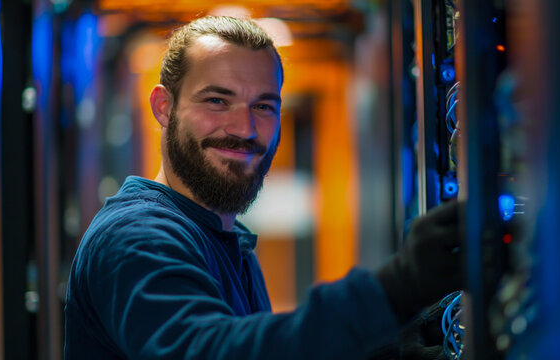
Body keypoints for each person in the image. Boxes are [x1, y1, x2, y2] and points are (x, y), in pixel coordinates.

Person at [64, 16, 462, 359]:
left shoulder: (225, 238)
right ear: (164, 107)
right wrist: (394, 291)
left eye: (264, 106)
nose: (244, 129)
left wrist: (390, 347)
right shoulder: (136, 238)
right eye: (217, 101)